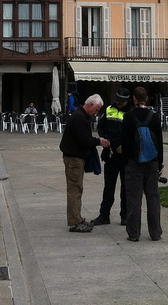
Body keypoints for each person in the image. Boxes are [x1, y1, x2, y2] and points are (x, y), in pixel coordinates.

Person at [58, 93, 109, 233]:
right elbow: (84, 140)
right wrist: (99, 141)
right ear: (91, 105)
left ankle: (77, 218)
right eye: (97, 110)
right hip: (73, 158)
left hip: (75, 157)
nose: (96, 113)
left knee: (77, 189)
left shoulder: (80, 116)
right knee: (74, 189)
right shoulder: (79, 118)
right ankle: (75, 222)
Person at [122, 86, 163, 242]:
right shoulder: (154, 117)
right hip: (152, 162)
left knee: (134, 198)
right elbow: (159, 141)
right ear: (147, 99)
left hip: (133, 162)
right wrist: (160, 163)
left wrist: (126, 160)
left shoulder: (129, 117)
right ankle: (155, 232)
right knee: (152, 197)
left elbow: (125, 142)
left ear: (134, 99)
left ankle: (134, 233)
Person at [93, 87, 132, 226]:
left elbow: (133, 133)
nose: (119, 103)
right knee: (108, 186)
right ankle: (104, 215)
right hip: (110, 154)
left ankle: (125, 216)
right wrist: (104, 139)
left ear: (128, 100)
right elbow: (101, 126)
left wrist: (125, 145)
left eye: (122, 101)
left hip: (125, 155)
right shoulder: (109, 109)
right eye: (118, 100)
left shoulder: (131, 113)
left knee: (126, 187)